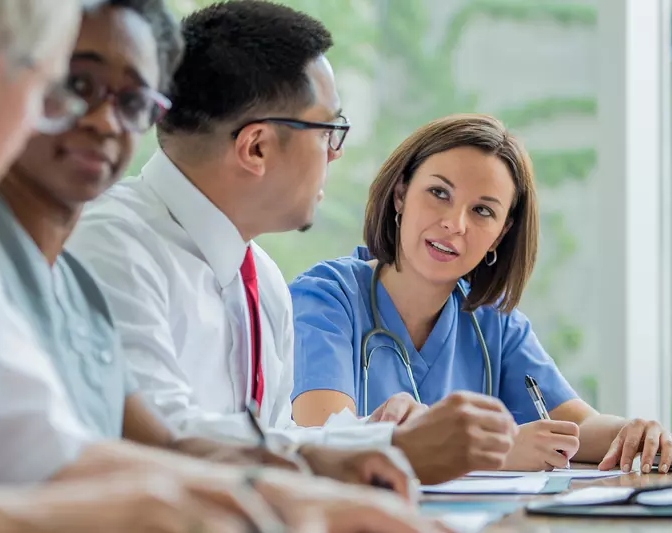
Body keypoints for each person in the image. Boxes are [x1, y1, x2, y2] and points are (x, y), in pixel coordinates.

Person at [0, 1, 379, 532]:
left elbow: (46, 448)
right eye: (58, 89)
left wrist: (270, 493)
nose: (86, 121)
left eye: (134, 102)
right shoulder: (88, 243)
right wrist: (115, 508)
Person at [68, 0, 518, 486]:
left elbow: (272, 438)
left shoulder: (258, 275)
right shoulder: (110, 248)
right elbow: (162, 440)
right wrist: (394, 449)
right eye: (329, 131)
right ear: (256, 147)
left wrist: (376, 434)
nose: (335, 154)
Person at [289, 113, 672, 475]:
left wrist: (633, 432)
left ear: (502, 233)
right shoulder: (326, 300)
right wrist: (495, 451)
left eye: (482, 211)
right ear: (400, 195)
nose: (454, 224)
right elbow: (324, 444)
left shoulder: (492, 321)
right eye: (439, 193)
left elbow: (577, 426)